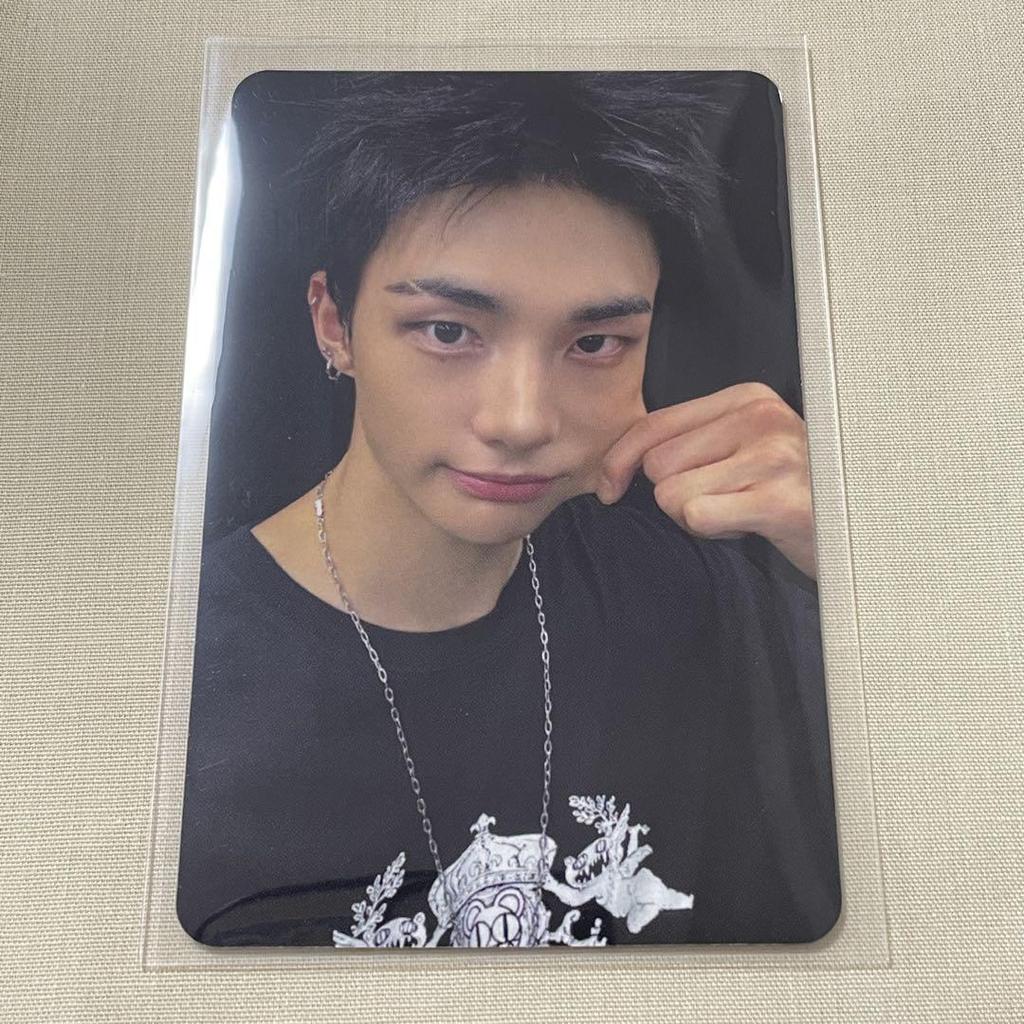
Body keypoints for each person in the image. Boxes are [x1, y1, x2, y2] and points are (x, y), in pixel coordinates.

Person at [176, 71, 841, 948]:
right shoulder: (173, 667)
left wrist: (858, 548)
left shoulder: (697, 596)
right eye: (448, 331)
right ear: (334, 324)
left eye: (594, 342)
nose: (522, 421)